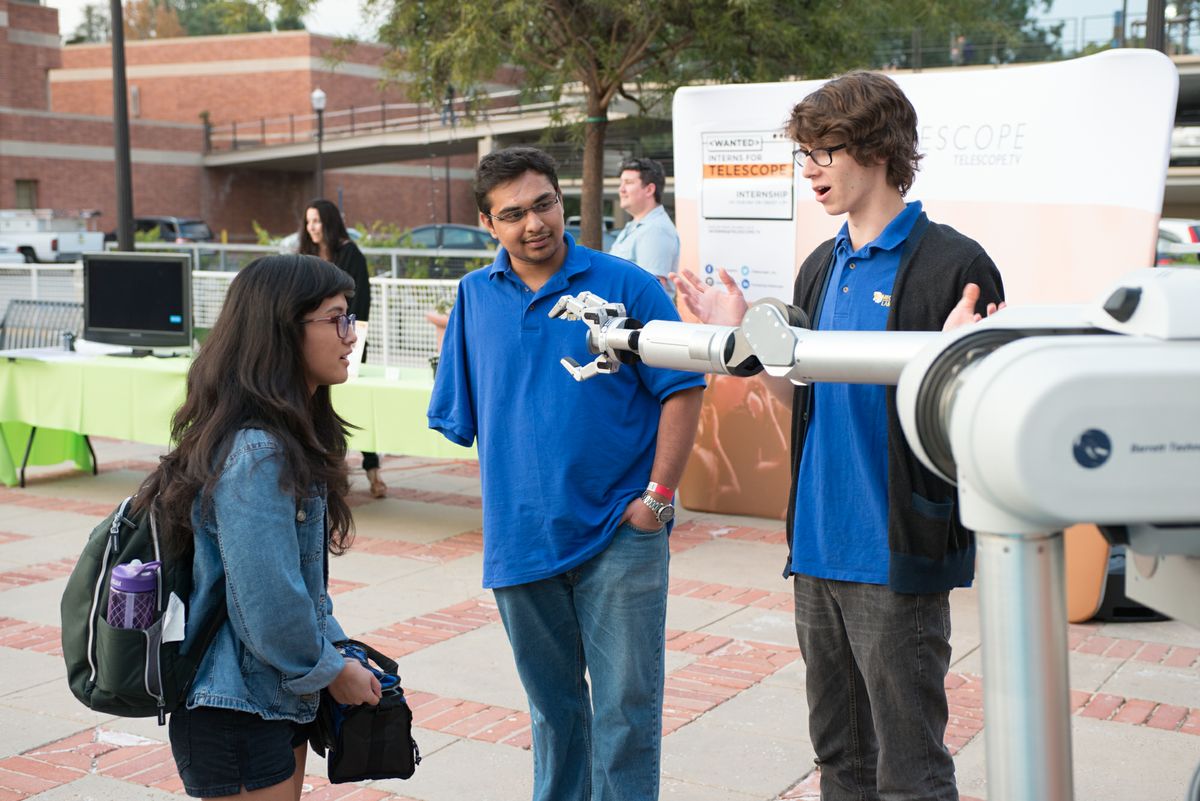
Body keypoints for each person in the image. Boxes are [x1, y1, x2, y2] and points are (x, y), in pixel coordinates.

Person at [672, 71, 1004, 801]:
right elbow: (803, 391)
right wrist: (742, 338)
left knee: (911, 773)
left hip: (894, 555)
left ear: (879, 149)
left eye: (826, 150)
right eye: (806, 153)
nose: (811, 169)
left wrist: (953, 368)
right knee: (840, 762)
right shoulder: (821, 265)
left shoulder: (957, 265)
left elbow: (981, 423)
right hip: (817, 548)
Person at [427, 146, 706, 801]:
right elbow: (466, 414)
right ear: (487, 223)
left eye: (544, 203)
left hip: (621, 533)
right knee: (555, 715)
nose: (534, 223)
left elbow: (684, 386)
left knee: (625, 715)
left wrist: (657, 502)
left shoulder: (627, 283)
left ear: (563, 201)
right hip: (521, 541)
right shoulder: (473, 299)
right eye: (513, 213)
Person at [136, 254, 381, 800]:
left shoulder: (280, 441)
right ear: (282, 331)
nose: (351, 335)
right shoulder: (258, 453)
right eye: (337, 318)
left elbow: (300, 592)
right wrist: (332, 670)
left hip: (268, 694)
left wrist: (339, 654)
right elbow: (269, 605)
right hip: (235, 705)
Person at [299, 198, 387, 499]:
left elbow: (359, 304)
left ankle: (372, 468)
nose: (311, 227)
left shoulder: (349, 254)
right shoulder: (306, 256)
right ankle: (328, 471)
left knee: (358, 405)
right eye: (308, 221)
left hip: (350, 341)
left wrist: (349, 339)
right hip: (311, 347)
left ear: (329, 222)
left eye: (316, 221)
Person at [609, 157, 679, 296]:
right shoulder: (635, 226)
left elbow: (652, 291)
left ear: (649, 189)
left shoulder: (656, 230)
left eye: (628, 183)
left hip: (641, 318)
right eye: (621, 183)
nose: (621, 189)